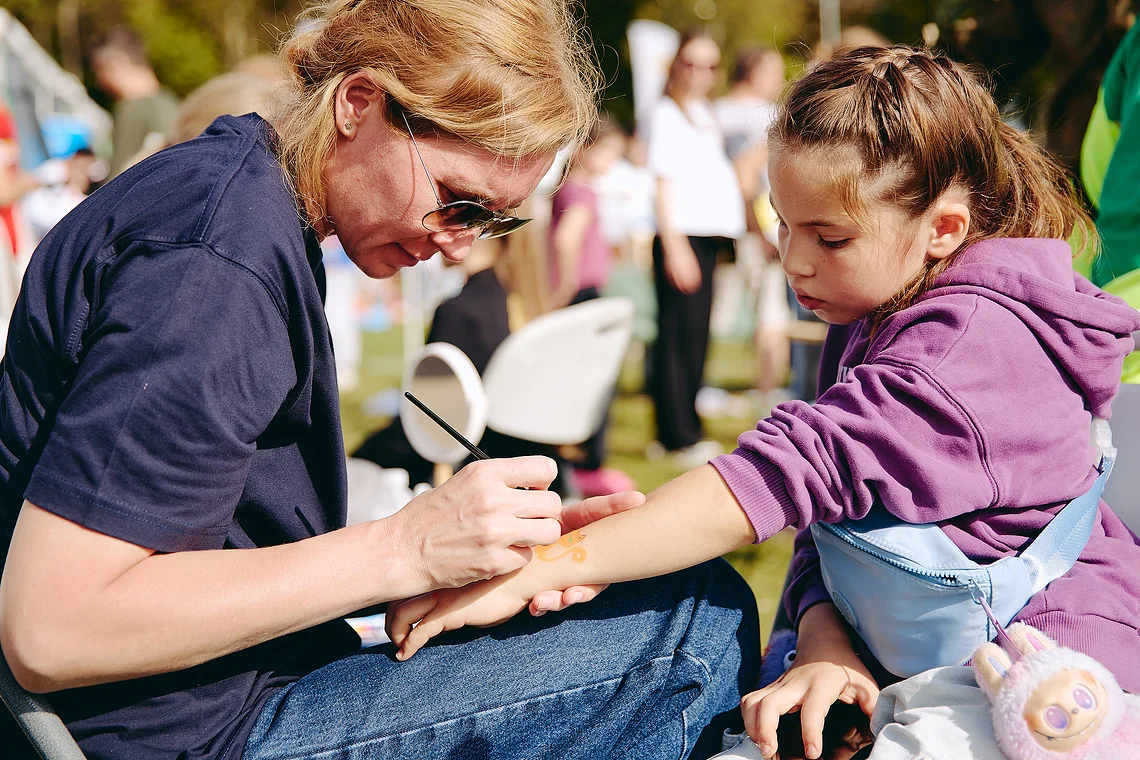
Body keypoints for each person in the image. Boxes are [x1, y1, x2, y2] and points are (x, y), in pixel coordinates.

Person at [0, 2, 760, 759]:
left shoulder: (244, 203)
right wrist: (402, 548)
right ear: (357, 104)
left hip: (236, 693)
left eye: (495, 222)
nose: (461, 246)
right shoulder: (212, 266)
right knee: (693, 619)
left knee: (660, 587)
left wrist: (472, 554)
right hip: (192, 735)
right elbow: (56, 627)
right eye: (458, 202)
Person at [386, 45, 1140, 760]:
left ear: (942, 228)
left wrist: (533, 570)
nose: (794, 259)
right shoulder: (872, 311)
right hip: (915, 651)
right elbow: (831, 525)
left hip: (1039, 670)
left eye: (830, 237)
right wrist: (824, 646)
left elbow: (770, 485)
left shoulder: (967, 348)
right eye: (782, 222)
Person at [646, 30, 746, 468]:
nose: (698, 73)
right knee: (677, 338)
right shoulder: (666, 113)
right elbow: (662, 184)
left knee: (696, 337)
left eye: (708, 65)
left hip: (704, 237)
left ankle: (686, 425)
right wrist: (674, 245)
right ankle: (675, 434)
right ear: (675, 65)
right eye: (690, 63)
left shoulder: (702, 113)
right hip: (681, 236)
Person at [547, 118, 637, 496]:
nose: (612, 162)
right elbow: (567, 239)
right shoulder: (583, 191)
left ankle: (576, 462)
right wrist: (567, 282)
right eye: (608, 153)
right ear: (586, 149)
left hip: (577, 292)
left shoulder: (567, 188)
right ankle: (587, 464)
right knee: (593, 383)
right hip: (582, 293)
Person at [714, 47, 792, 411]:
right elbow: (747, 172)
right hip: (759, 222)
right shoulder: (767, 117)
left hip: (725, 225)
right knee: (770, 312)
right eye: (774, 70)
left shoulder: (715, 111)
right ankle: (768, 393)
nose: (779, 80)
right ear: (755, 70)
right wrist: (760, 229)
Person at [90, 27, 180, 177]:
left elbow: (117, 181)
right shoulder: (172, 102)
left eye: (100, 70)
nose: (98, 81)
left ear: (118, 62)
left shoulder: (132, 109)